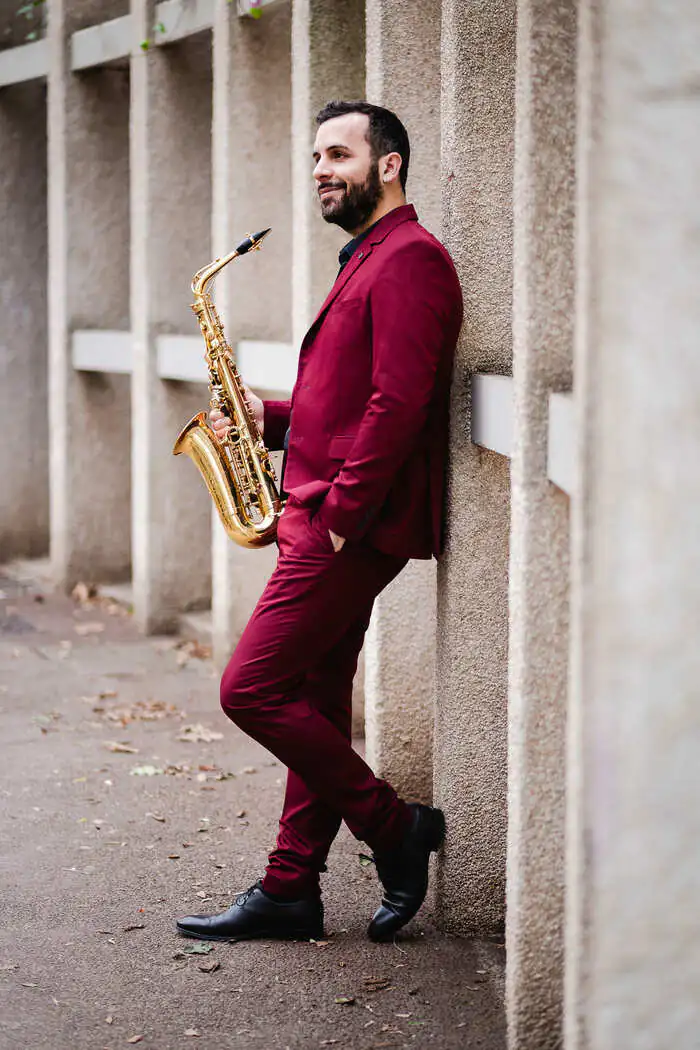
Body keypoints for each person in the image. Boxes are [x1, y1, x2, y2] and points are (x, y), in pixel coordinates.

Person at [176, 100, 463, 945]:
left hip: (347, 524)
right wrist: (260, 420)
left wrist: (340, 515)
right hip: (329, 513)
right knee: (312, 695)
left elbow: (400, 401)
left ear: (390, 164)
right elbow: (343, 400)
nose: (320, 171)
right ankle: (290, 886)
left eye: (338, 154)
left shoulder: (411, 259)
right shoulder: (368, 256)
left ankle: (395, 828)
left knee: (250, 689)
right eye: (314, 157)